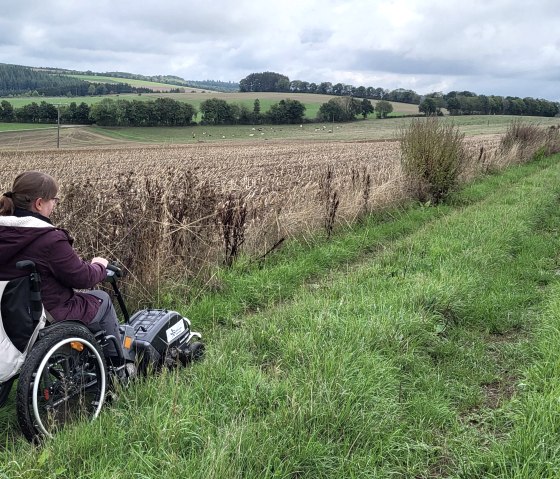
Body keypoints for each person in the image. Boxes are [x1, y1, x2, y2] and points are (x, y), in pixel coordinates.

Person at [0, 170, 125, 364]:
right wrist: (99, 265)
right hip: (44, 315)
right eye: (54, 200)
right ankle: (119, 367)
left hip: (8, 317)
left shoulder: (6, 232)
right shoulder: (49, 239)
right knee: (102, 299)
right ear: (39, 203)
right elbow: (82, 278)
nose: (55, 205)